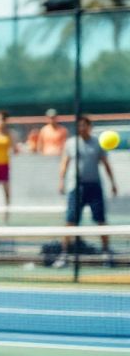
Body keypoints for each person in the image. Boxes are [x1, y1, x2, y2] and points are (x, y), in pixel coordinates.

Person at [54, 115, 118, 268]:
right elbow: (64, 163)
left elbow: (105, 163)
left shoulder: (97, 143)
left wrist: (113, 183)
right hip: (76, 188)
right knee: (70, 221)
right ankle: (64, 255)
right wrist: (61, 181)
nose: (82, 128)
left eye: (85, 125)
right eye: (79, 126)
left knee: (101, 221)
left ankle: (106, 253)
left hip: (94, 186)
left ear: (90, 127)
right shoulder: (71, 143)